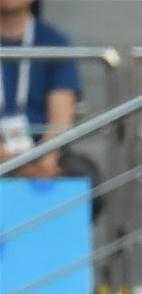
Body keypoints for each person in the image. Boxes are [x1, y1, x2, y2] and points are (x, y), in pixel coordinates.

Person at [0, 0, 100, 199]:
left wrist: (46, 159)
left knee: (86, 177)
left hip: (42, 151)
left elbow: (61, 118)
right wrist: (10, 160)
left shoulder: (55, 42)